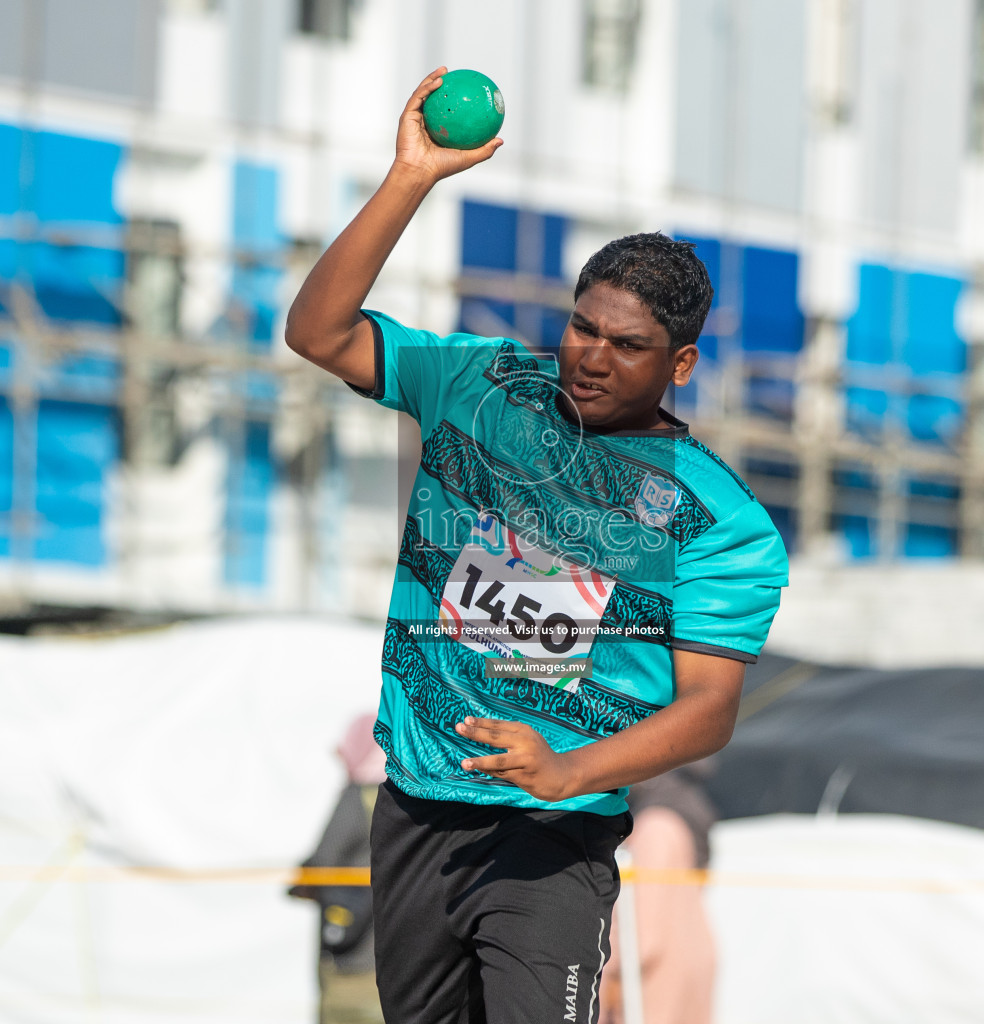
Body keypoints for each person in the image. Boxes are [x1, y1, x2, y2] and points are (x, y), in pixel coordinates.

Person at [284, 67, 788, 1024]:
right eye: (581, 327)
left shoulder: (723, 523)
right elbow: (318, 331)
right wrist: (410, 179)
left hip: (552, 838)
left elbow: (710, 712)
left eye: (626, 345)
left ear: (679, 363)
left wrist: (568, 772)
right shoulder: (480, 386)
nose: (590, 356)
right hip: (419, 809)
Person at [597, 764, 721, 1024]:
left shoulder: (658, 827)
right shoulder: (679, 820)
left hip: (654, 996)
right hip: (682, 983)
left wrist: (591, 973)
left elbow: (641, 941)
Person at [290, 714, 389, 1024]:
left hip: (351, 956)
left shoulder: (360, 794)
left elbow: (324, 860)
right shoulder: (409, 794)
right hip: (393, 952)